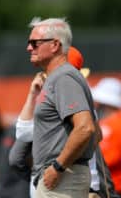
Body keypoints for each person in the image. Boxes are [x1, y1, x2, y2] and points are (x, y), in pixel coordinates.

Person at [26, 17, 97, 198]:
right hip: (60, 178)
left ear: (55, 45)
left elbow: (85, 127)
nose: (29, 48)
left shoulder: (63, 77)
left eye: (35, 43)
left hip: (63, 179)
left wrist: (58, 166)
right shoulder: (57, 78)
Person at [91, 78, 121, 198]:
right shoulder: (106, 122)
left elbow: (111, 158)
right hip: (108, 186)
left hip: (117, 188)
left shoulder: (118, 125)